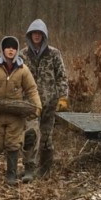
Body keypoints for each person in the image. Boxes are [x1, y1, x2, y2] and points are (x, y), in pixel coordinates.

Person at [0, 36, 41, 186]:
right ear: (2, 49)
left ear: (17, 50)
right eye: (8, 47)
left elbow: (32, 89)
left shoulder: (23, 70)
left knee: (13, 143)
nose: (11, 50)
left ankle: (11, 174)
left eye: (13, 48)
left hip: (15, 114)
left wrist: (37, 106)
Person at [20, 19, 69, 182]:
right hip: (29, 103)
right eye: (34, 33)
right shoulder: (23, 54)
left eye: (39, 33)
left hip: (49, 101)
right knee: (31, 135)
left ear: (44, 35)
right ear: (29, 35)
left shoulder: (54, 53)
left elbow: (62, 76)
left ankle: (46, 169)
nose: (36, 36)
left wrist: (63, 97)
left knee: (47, 137)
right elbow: (16, 77)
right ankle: (29, 168)